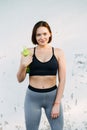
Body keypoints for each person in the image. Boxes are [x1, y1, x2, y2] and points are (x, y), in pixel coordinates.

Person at [17, 21, 66, 130]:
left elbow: (62, 80)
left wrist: (57, 103)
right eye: (38, 35)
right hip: (32, 98)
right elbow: (20, 79)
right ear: (34, 36)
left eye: (45, 34)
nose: (42, 37)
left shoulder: (58, 52)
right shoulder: (28, 52)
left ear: (50, 34)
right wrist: (23, 66)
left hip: (52, 98)